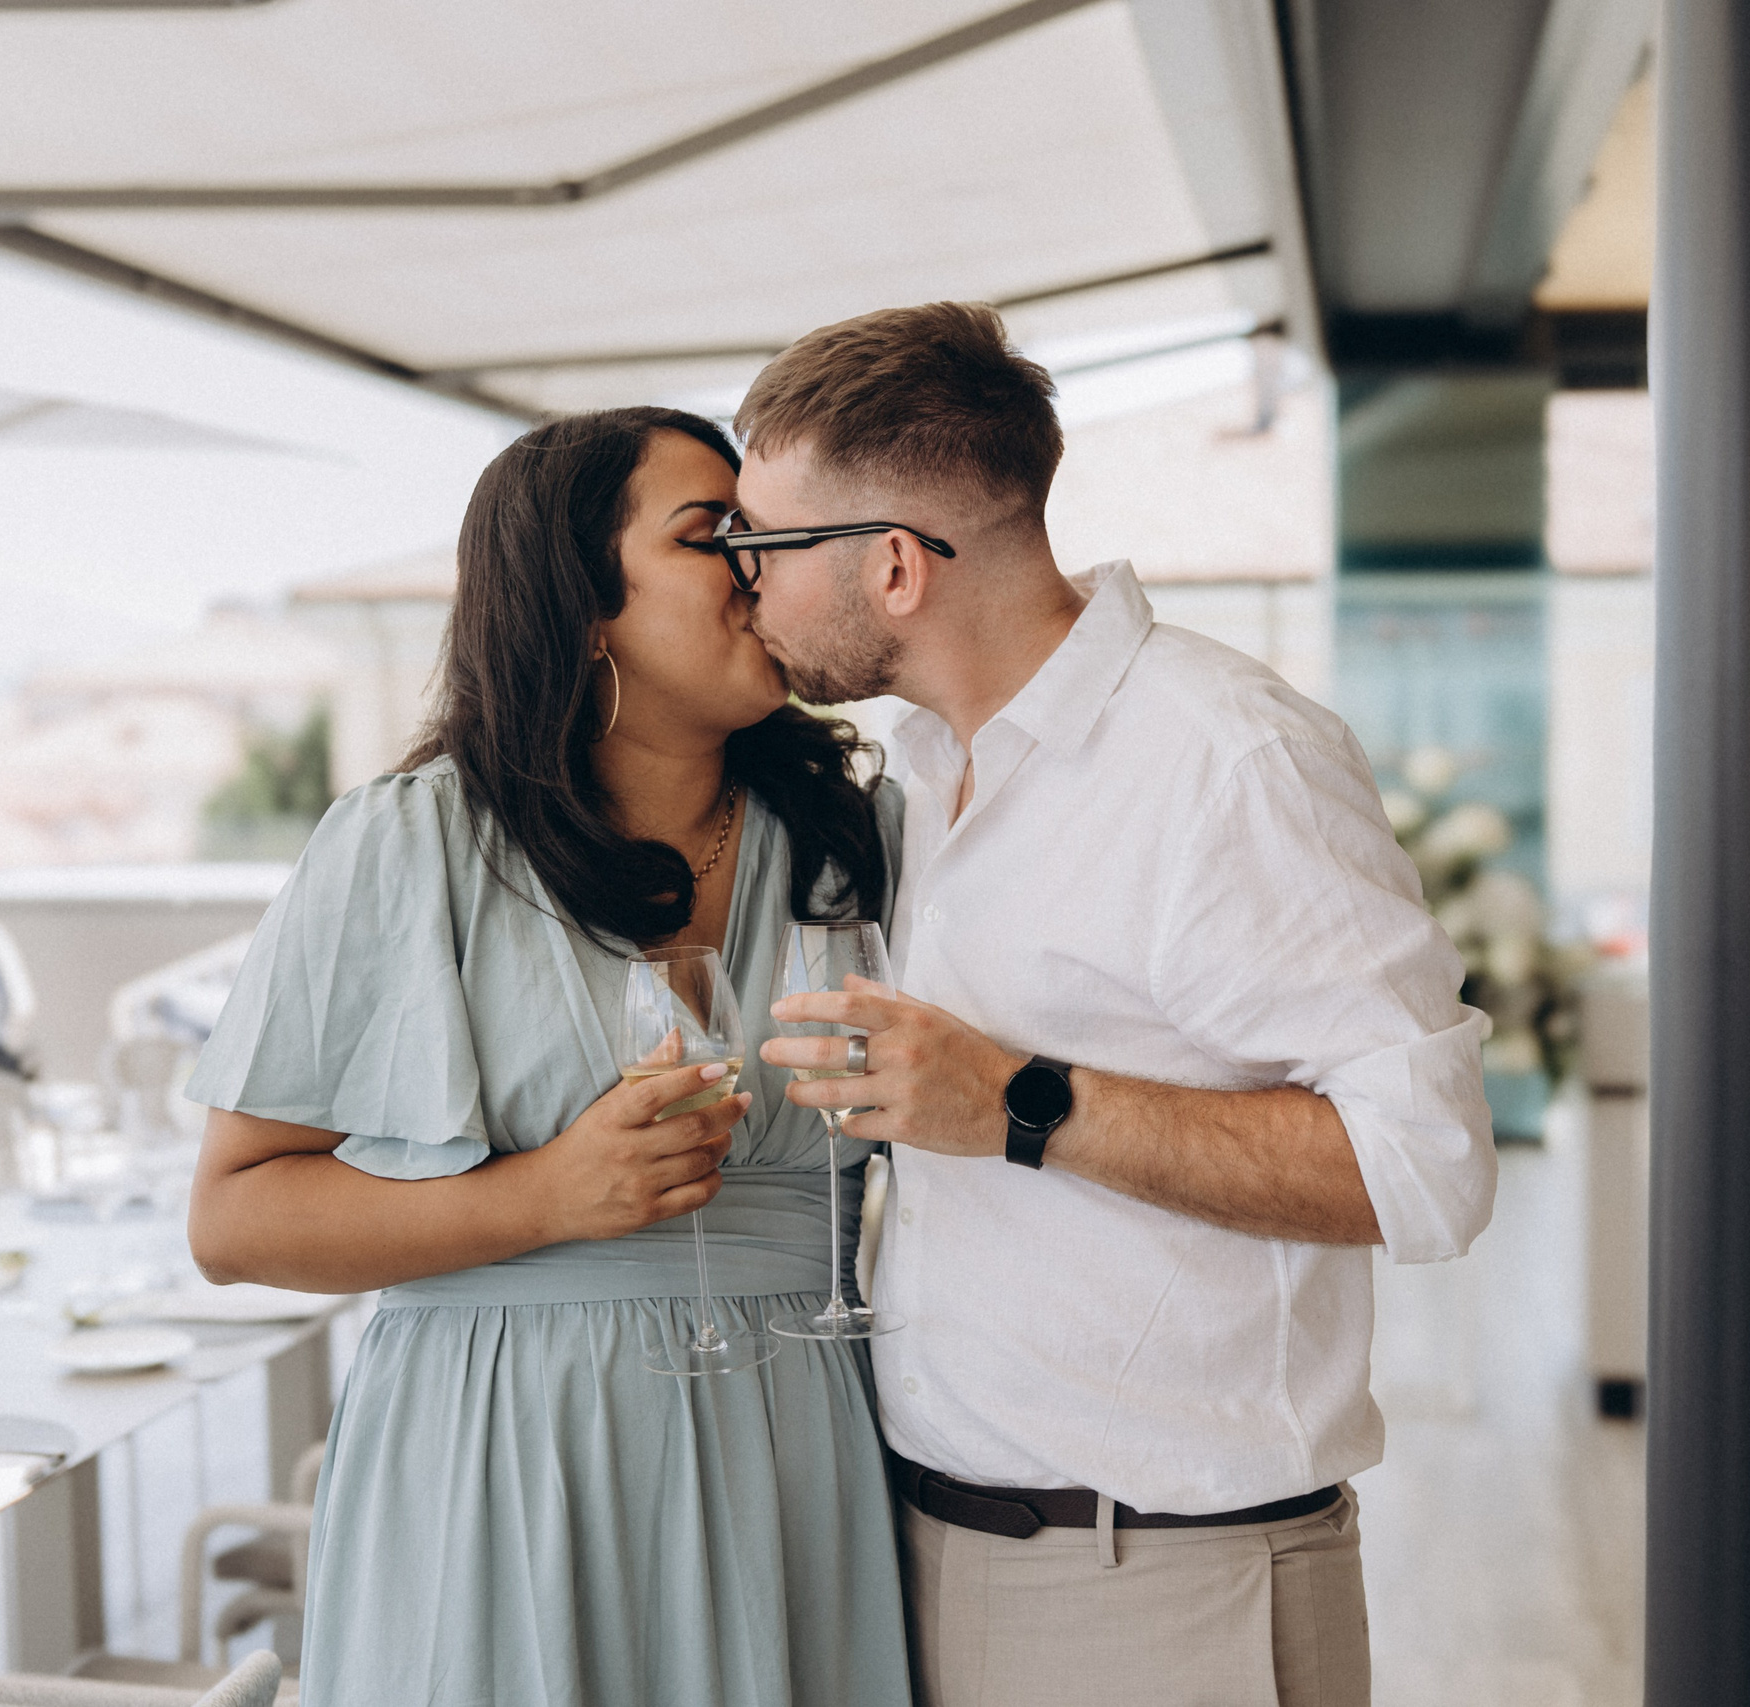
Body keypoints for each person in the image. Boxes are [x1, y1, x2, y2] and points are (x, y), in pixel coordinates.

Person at [738, 304, 1498, 1707]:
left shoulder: (1226, 760)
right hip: (933, 1552)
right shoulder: (916, 774)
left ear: (894, 566)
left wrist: (1025, 1102)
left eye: (763, 549)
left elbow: (1427, 1169)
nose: (746, 589)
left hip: (1168, 1595)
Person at [182, 407, 912, 1707]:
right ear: (582, 608)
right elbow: (234, 1219)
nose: (764, 563)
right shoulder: (406, 847)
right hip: (499, 1461)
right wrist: (540, 1199)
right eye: (712, 537)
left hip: (798, 1451)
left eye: (766, 533)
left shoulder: (862, 838)